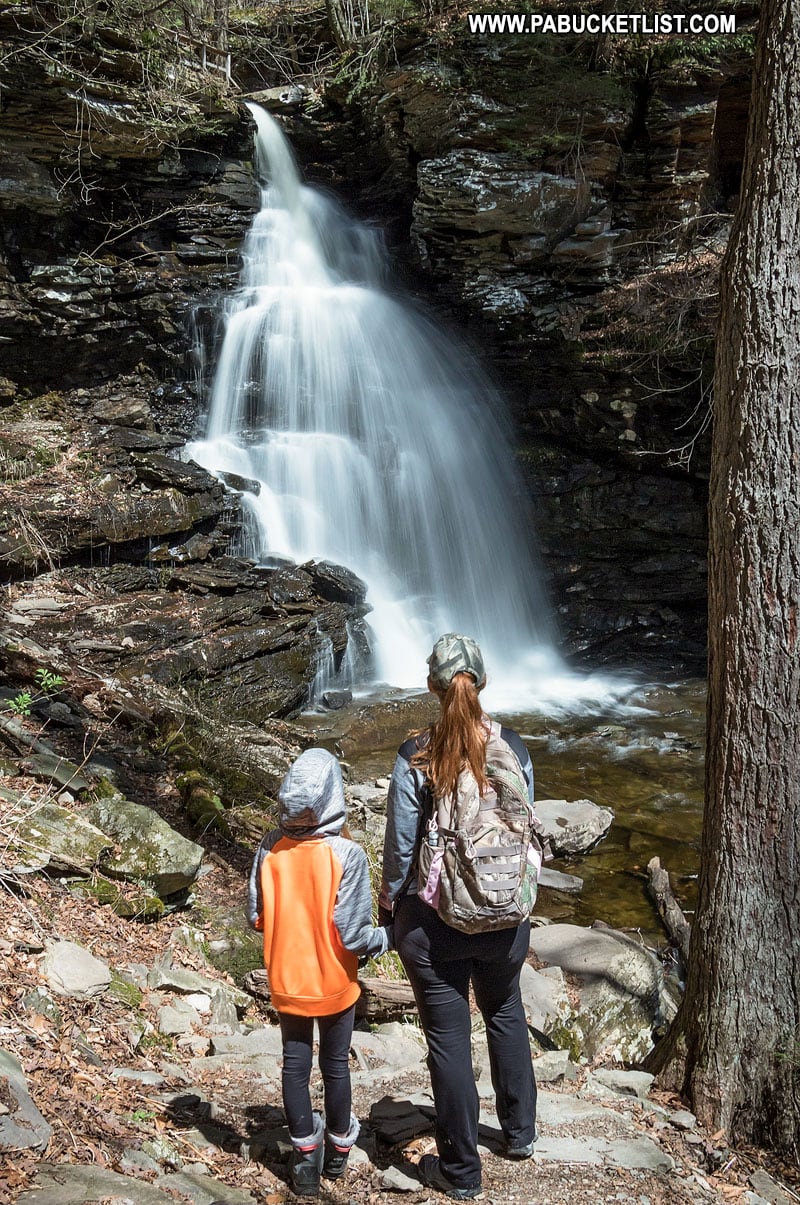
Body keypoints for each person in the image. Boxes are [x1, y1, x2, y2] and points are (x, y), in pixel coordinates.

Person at [380, 633, 538, 1201]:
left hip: (438, 924)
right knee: (505, 1012)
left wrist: (391, 906)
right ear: (483, 682)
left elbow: (401, 848)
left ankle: (461, 1172)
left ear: (432, 686)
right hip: (506, 920)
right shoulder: (514, 746)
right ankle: (519, 1134)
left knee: (449, 1038)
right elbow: (525, 830)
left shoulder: (416, 754)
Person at [248, 746, 392, 1198]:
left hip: (288, 981)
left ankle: (305, 1160)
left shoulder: (270, 846)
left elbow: (256, 916)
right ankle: (337, 1154)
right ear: (334, 796)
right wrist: (387, 937)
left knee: (295, 1065)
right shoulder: (346, 853)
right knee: (334, 1066)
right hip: (334, 983)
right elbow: (353, 936)